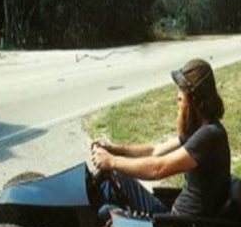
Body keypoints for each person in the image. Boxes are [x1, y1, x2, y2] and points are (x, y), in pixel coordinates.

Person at [91, 58, 231, 217]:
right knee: (118, 175)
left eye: (182, 91)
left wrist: (112, 161)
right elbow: (155, 151)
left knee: (105, 213)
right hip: (176, 218)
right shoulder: (201, 128)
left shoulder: (208, 135)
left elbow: (158, 169)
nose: (178, 96)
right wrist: (115, 149)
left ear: (194, 98)